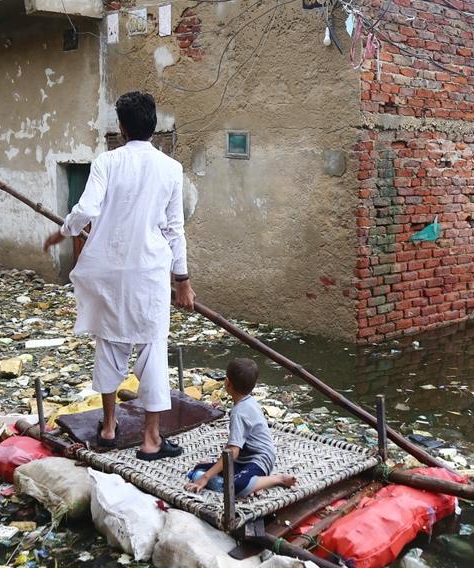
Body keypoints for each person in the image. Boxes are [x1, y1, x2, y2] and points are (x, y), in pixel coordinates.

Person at [43, 91, 195, 461]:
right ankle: (151, 439)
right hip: (148, 272)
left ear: (122, 127)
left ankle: (109, 428)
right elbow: (175, 229)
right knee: (152, 346)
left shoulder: (106, 162)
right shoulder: (170, 169)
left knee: (110, 342)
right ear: (153, 126)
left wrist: (63, 230)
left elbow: (87, 209)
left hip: (109, 270)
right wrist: (183, 281)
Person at [185, 358, 296, 497]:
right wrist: (211, 469)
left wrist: (206, 478)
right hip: (244, 461)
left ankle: (277, 479)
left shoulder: (239, 413)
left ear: (227, 382)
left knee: (235, 486)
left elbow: (233, 452)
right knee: (198, 470)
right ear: (254, 385)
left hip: (259, 460)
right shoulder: (249, 402)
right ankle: (256, 483)